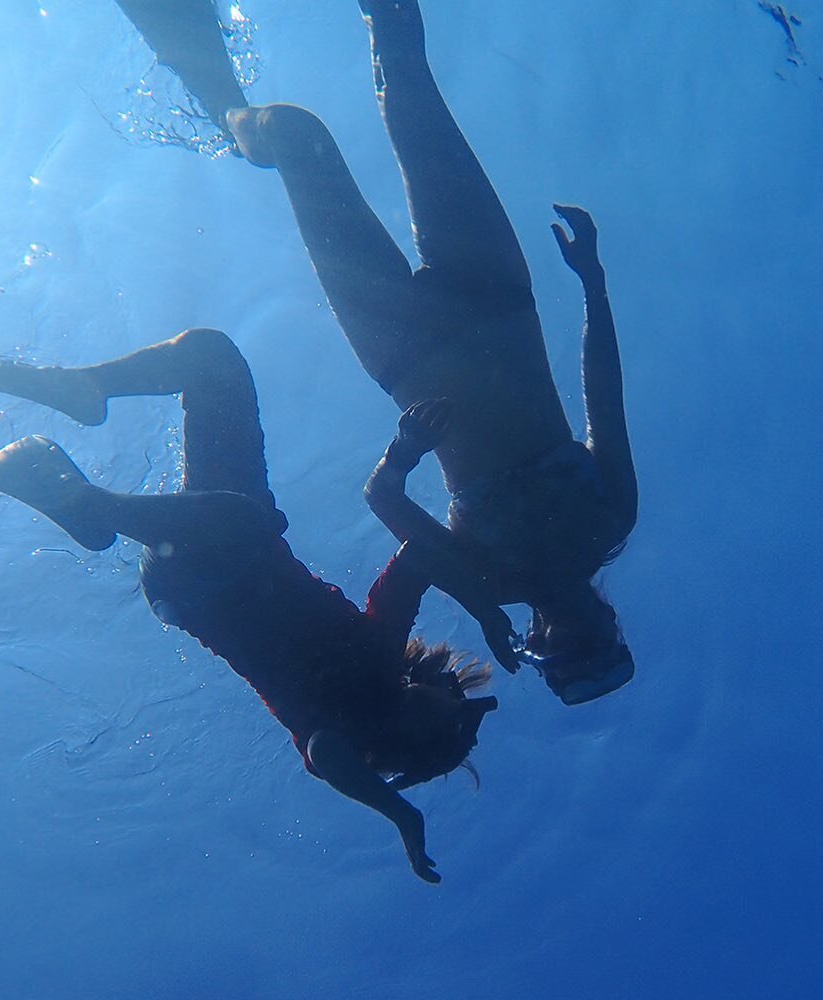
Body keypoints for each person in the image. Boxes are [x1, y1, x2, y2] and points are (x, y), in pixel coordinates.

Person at [113, 0, 639, 705]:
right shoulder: (611, 517)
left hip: (403, 348)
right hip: (497, 297)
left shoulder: (483, 579)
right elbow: (604, 396)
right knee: (410, 80)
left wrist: (404, 449)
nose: (564, 636)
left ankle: (224, 105)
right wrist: (594, 286)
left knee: (296, 135)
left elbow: (381, 496)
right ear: (607, 626)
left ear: (539, 644)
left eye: (558, 655)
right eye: (590, 643)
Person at [0, 330, 498, 883]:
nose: (462, 703)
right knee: (212, 360)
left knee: (247, 520)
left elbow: (327, 757)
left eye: (458, 721)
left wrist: (399, 812)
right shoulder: (383, 646)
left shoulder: (338, 732)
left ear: (416, 743)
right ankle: (84, 396)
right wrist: (490, 613)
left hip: (200, 578)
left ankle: (96, 509)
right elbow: (418, 559)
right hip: (225, 524)